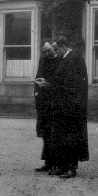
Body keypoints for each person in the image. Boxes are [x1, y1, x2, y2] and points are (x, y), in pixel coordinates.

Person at [38, 36, 89, 179]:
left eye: (55, 49)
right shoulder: (68, 59)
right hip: (65, 105)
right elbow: (61, 81)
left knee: (71, 137)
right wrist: (48, 83)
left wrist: (50, 85)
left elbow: (72, 85)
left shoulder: (74, 59)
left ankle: (71, 168)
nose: (55, 53)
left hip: (72, 106)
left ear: (63, 47)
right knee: (64, 137)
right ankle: (64, 166)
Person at [33, 39, 59, 173]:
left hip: (55, 102)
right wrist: (37, 91)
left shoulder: (60, 61)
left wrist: (48, 84)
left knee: (55, 134)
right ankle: (48, 162)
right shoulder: (43, 60)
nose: (47, 53)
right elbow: (38, 77)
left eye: (49, 50)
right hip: (43, 102)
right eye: (44, 51)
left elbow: (60, 82)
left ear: (54, 48)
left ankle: (56, 164)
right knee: (45, 133)